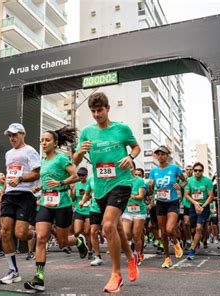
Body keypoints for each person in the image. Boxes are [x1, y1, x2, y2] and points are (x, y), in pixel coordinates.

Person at [73, 92, 140, 293]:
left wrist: (130, 156)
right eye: (93, 111)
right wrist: (80, 152)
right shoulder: (87, 133)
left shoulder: (121, 129)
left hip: (121, 182)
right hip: (100, 188)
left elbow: (136, 147)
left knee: (108, 226)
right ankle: (131, 258)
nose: (96, 114)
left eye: (100, 110)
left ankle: (116, 275)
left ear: (107, 108)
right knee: (117, 228)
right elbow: (74, 162)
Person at [24, 127, 89, 292]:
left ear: (55, 143)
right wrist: (39, 189)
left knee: (63, 242)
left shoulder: (61, 159)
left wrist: (60, 183)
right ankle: (39, 278)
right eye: (42, 141)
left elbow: (74, 177)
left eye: (47, 140)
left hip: (63, 204)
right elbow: (45, 180)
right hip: (46, 203)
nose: (44, 143)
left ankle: (79, 241)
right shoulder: (42, 161)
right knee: (41, 237)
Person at [0, 123, 39, 285]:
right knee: (5, 232)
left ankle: (36, 234)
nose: (12, 138)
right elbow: (9, 176)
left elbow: (37, 173)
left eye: (14, 135)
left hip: (25, 195)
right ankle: (13, 271)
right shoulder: (8, 154)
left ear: (23, 134)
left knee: (21, 234)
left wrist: (21, 178)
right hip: (9, 195)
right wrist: (2, 193)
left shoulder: (30, 151)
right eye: (9, 135)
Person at [148, 145, 187, 269]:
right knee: (163, 232)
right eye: (158, 154)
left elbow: (185, 181)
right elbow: (150, 190)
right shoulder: (153, 171)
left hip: (173, 202)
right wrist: (150, 185)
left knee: (169, 229)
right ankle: (167, 258)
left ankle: (176, 242)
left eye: (163, 154)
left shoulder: (174, 168)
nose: (160, 156)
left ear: (167, 155)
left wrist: (180, 186)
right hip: (160, 203)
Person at [185, 162, 214, 260]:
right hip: (193, 206)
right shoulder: (189, 180)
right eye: (195, 170)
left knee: (198, 228)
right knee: (193, 229)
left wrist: (203, 206)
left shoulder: (207, 181)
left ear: (203, 171)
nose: (197, 172)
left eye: (200, 170)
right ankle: (196, 240)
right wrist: (195, 203)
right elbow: (187, 194)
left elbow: (211, 196)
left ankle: (192, 250)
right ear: (193, 171)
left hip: (204, 206)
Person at [121, 164, 146, 266]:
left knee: (136, 235)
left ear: (134, 169)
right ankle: (131, 254)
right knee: (126, 234)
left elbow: (141, 196)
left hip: (139, 211)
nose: (129, 169)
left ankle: (138, 254)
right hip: (127, 211)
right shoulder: (123, 180)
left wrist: (131, 196)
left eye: (131, 167)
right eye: (127, 167)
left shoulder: (139, 181)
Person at [70, 167, 93, 259]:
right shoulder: (76, 184)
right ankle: (83, 243)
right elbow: (73, 198)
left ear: (86, 175)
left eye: (82, 175)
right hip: (79, 209)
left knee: (88, 232)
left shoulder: (90, 183)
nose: (80, 177)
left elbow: (91, 195)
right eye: (79, 175)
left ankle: (90, 250)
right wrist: (72, 190)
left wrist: (86, 198)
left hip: (89, 209)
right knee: (77, 231)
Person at [180, 165, 194, 250]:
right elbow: (180, 191)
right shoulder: (184, 181)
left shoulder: (196, 179)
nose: (189, 171)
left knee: (195, 228)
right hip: (186, 204)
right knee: (185, 223)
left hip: (196, 204)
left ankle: (195, 239)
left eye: (190, 170)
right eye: (187, 170)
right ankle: (189, 240)